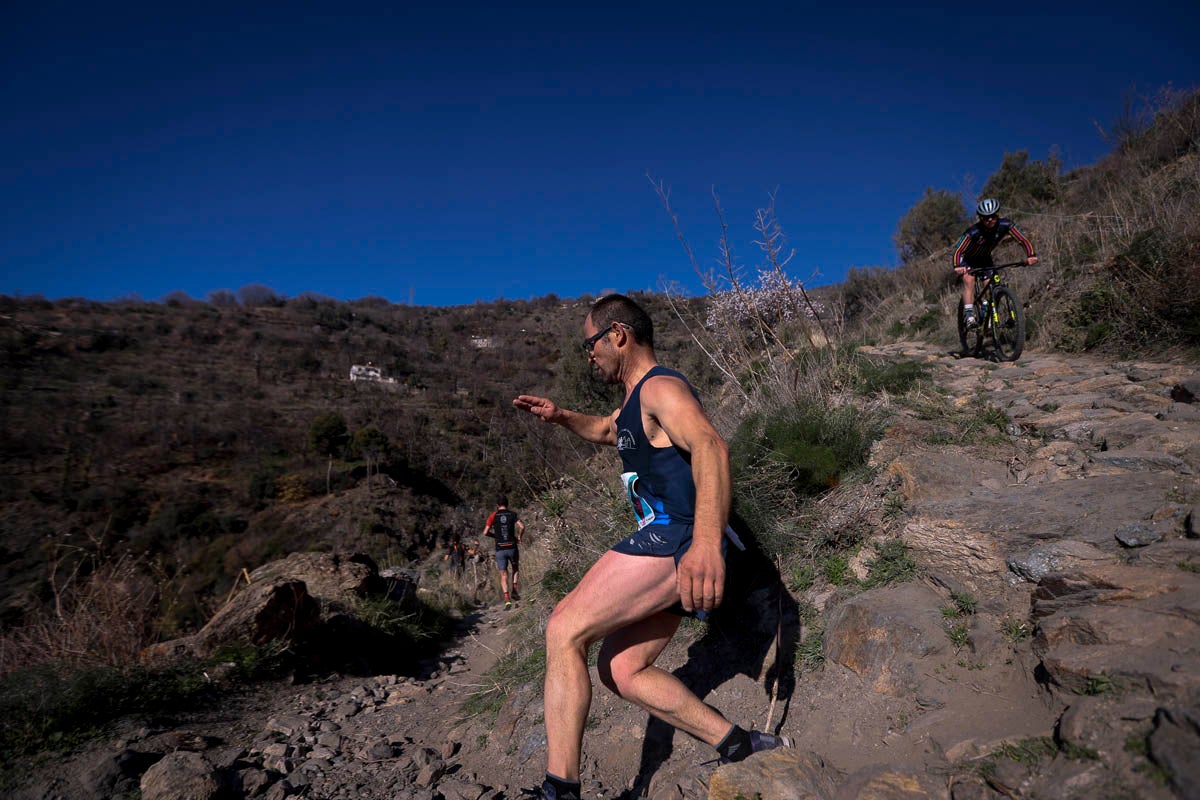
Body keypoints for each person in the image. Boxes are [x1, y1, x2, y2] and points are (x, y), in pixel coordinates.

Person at [513, 294, 790, 800]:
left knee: (563, 628)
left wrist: (705, 542)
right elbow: (606, 429)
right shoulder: (632, 404)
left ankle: (560, 789)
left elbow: (710, 445)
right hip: (675, 543)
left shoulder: (661, 387)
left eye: (590, 344)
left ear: (617, 335)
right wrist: (561, 416)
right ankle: (738, 744)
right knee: (622, 669)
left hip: (679, 537)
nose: (589, 355)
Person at [953, 198, 1038, 328]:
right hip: (967, 259)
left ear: (997, 215)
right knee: (969, 280)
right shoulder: (973, 231)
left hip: (985, 258)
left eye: (993, 216)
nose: (990, 220)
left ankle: (987, 314)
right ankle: (969, 316)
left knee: (991, 286)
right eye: (986, 217)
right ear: (981, 218)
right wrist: (957, 266)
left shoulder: (1006, 225)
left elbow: (1022, 239)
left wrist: (1030, 255)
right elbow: (958, 250)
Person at [482, 498, 524, 609]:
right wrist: (519, 537)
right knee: (515, 568)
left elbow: (485, 532)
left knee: (504, 574)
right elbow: (522, 526)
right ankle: (514, 590)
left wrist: (495, 536)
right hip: (512, 547)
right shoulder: (512, 514)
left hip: (500, 549)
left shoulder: (493, 516)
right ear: (507, 504)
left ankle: (507, 599)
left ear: (497, 505)